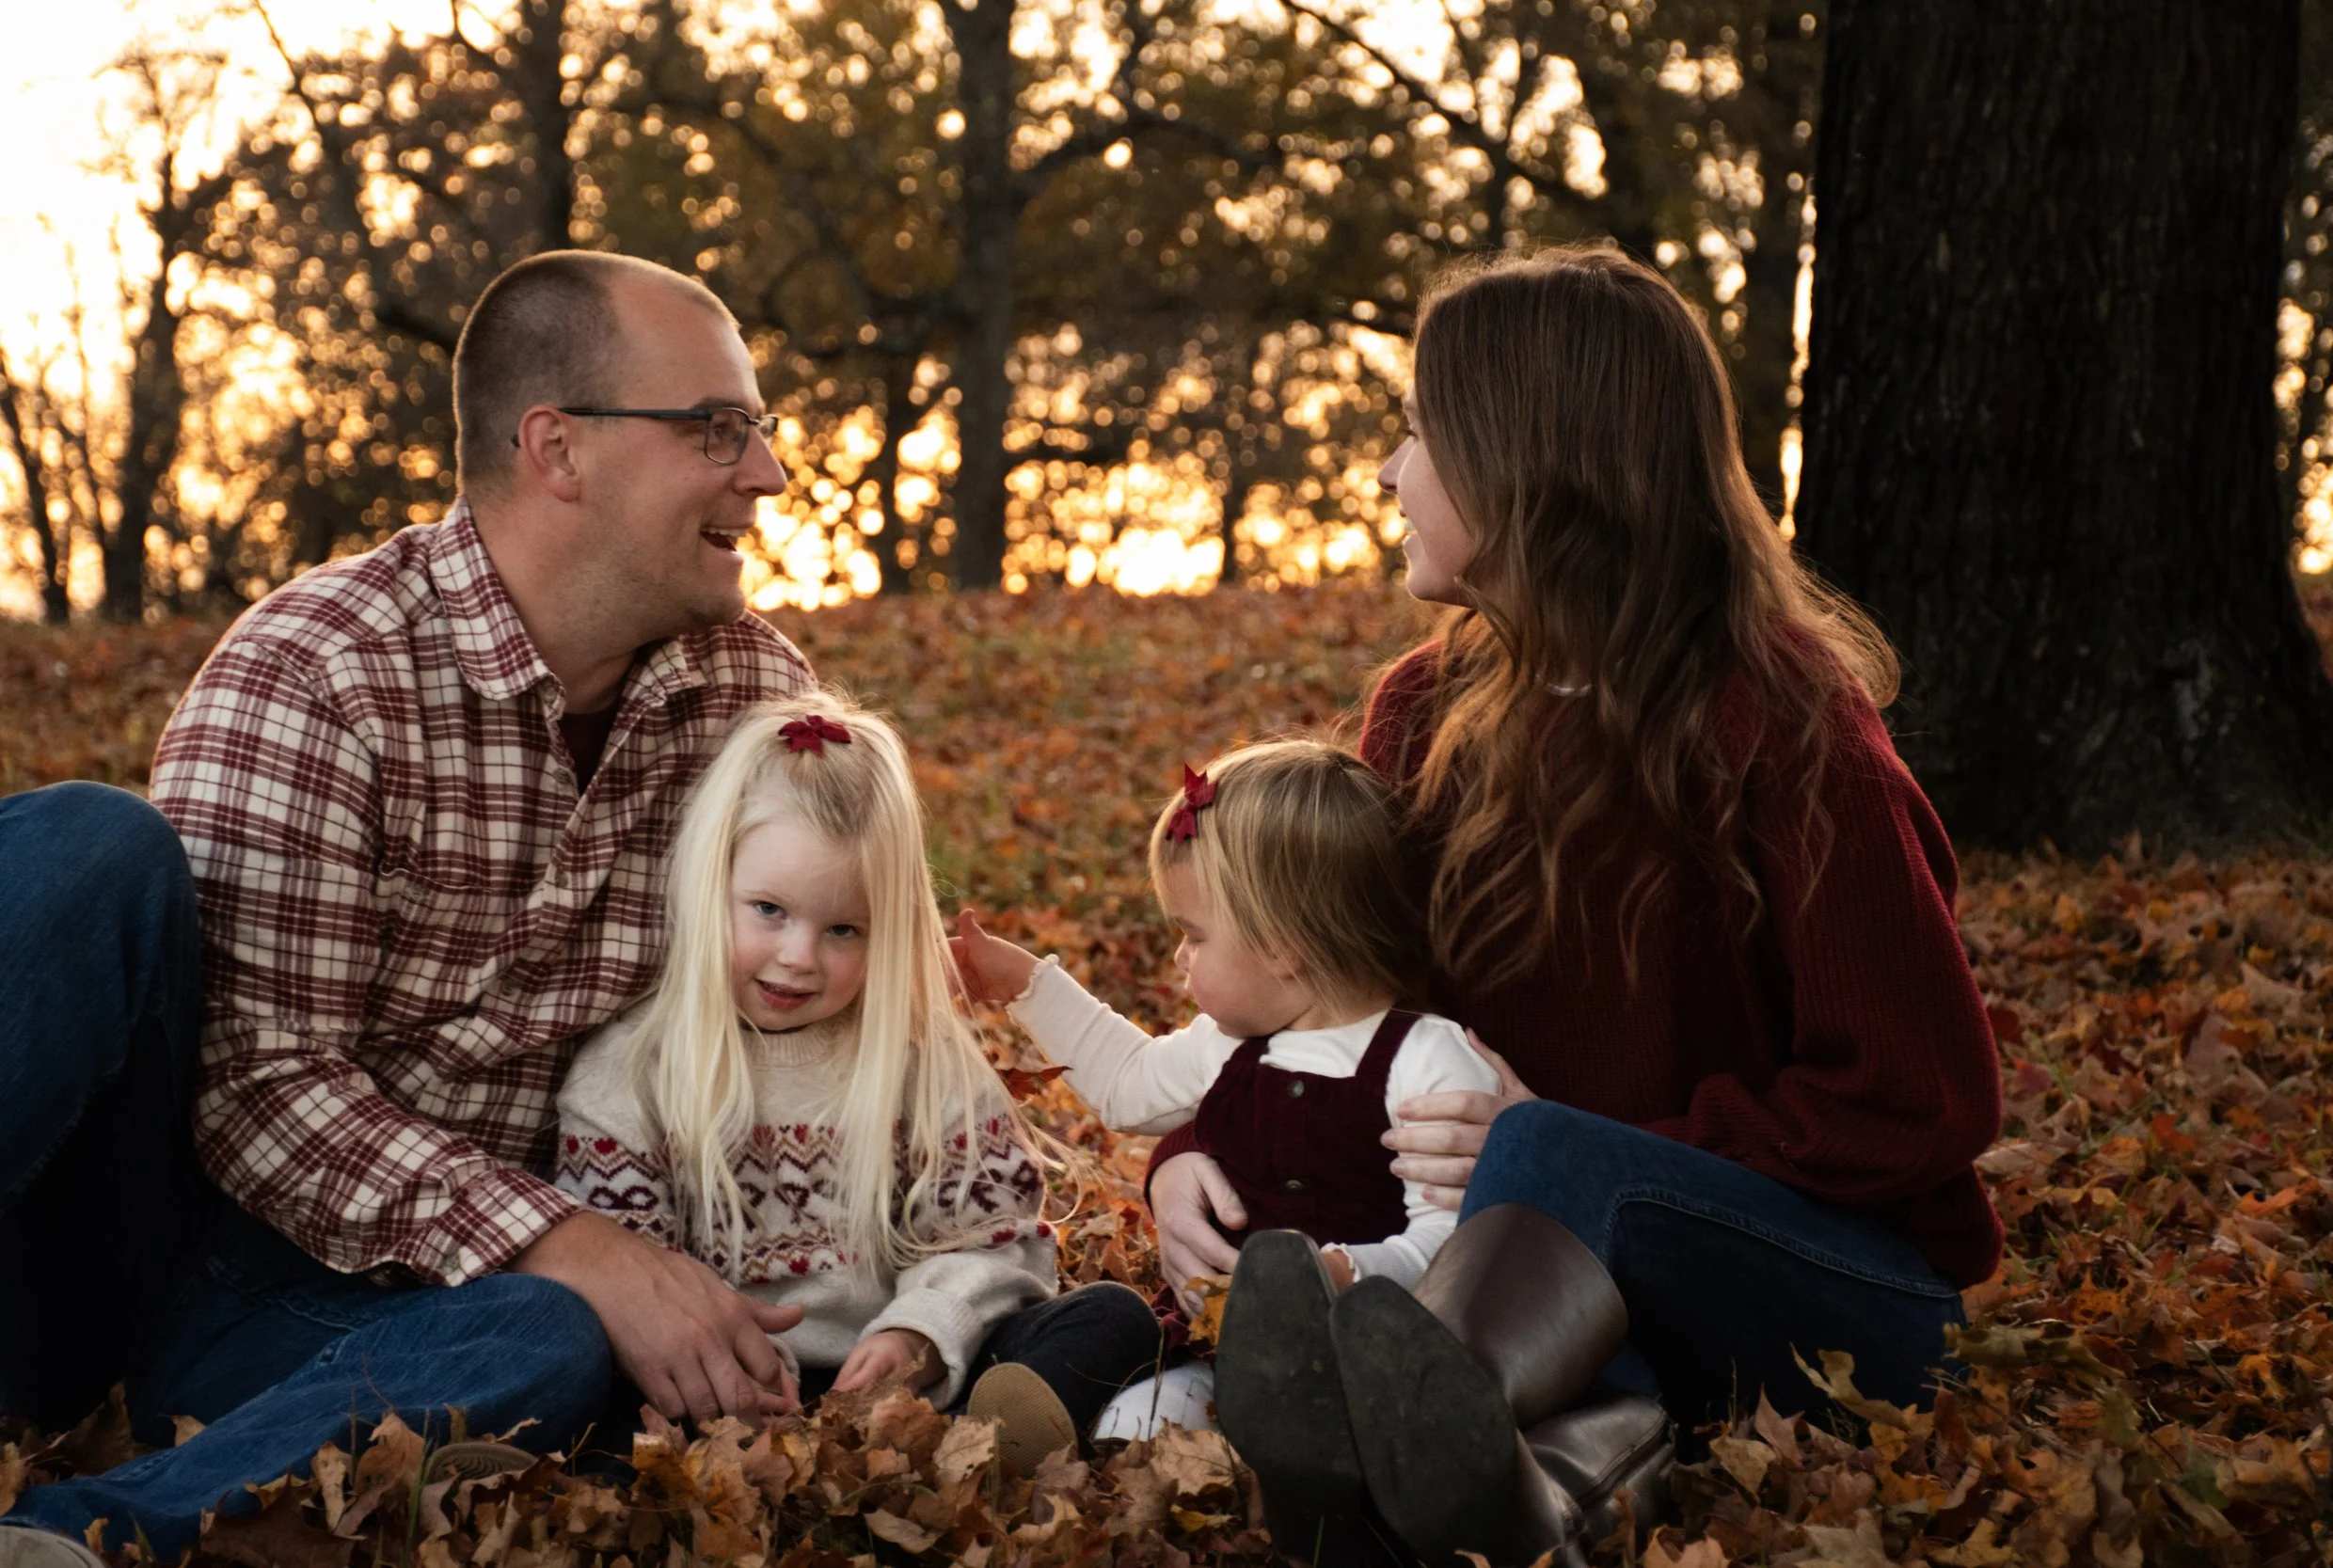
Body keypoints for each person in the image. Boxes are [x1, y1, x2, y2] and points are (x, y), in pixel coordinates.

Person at [1149, 245, 2006, 1566]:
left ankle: (1390, 1423)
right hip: (1572, 1306)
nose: (1387, 471)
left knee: (1546, 1156)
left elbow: (1919, 1096)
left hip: (1834, 1295)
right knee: (1557, 1246)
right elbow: (1334, 996)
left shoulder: (1784, 724)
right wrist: (1187, 1155)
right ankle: (1518, 1489)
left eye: (1421, 432)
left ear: (1528, 461)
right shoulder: (1422, 713)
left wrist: (1569, 1144)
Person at [1, 250, 821, 1566]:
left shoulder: (752, 701)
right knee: (89, 848)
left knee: (550, 1335)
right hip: (135, 1234)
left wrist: (933, 1282)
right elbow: (254, 1082)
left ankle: (75, 1543)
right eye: (717, 428)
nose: (768, 472)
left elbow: (837, 1001)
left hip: (382, 1317)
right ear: (558, 448)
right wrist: (566, 1236)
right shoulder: (320, 667)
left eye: (761, 428)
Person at [555, 693, 1161, 1472]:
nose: (800, 955)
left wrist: (919, 1334)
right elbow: (638, 1277)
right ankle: (689, 1475)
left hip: (910, 1383)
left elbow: (992, 1237)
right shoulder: (629, 1073)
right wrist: (736, 1368)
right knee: (577, 1364)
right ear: (710, 884)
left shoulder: (920, 1061)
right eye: (769, 910)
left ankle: (973, 1449)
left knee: (1112, 1317)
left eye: (843, 928)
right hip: (718, 1384)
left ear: (888, 927)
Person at [952, 739, 1500, 1548]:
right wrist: (1027, 984)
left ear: (1282, 943)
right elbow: (1129, 1082)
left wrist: (1343, 1273)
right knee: (1134, 1422)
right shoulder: (1230, 1043)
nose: (1180, 956)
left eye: (1195, 935)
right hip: (1218, 1348)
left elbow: (1455, 1241)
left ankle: (1313, 1487)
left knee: (1324, 1433)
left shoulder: (1424, 1060)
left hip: (1365, 1362)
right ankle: (1121, 1453)